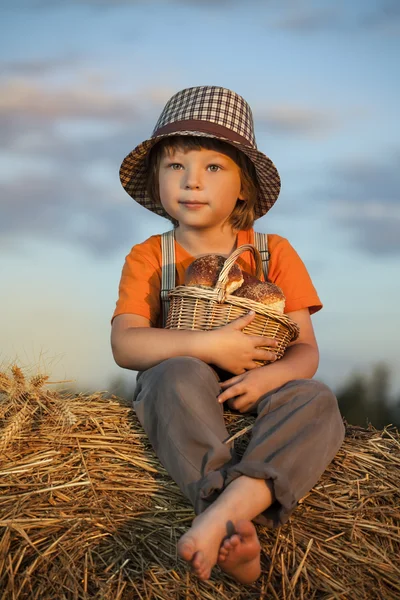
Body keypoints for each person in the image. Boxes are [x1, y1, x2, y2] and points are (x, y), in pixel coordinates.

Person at [111, 85, 345, 584]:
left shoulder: (272, 251)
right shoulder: (151, 257)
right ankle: (226, 514)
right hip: (184, 393)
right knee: (174, 374)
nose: (192, 180)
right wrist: (206, 346)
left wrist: (269, 379)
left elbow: (305, 349)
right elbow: (126, 345)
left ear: (243, 187)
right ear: (158, 179)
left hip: (259, 386)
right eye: (176, 166)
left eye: (213, 167)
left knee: (316, 401)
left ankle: (224, 514)